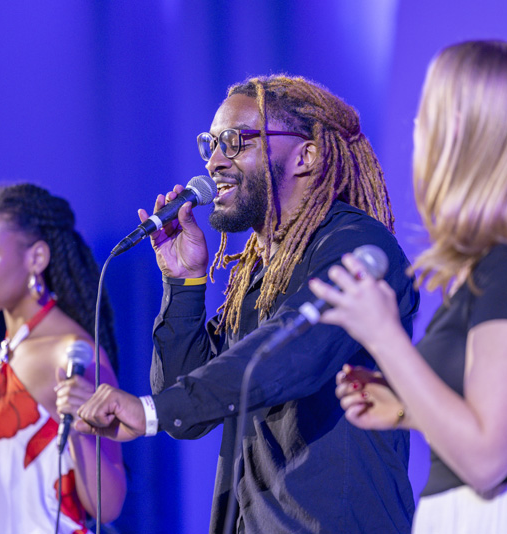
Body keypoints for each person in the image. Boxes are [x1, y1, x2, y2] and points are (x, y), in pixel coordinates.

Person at [76, 75, 419, 533]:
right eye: (212, 144)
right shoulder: (258, 274)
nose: (214, 161)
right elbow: (186, 409)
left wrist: (152, 412)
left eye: (235, 142)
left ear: (306, 156)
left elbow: (289, 354)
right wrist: (184, 282)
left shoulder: (357, 247)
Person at [312, 40, 507, 533]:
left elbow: (487, 460)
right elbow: (492, 419)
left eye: (429, 116)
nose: (419, 130)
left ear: (465, 132)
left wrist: (385, 337)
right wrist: (407, 409)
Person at [0, 184, 126, 533]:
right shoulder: (7, 351)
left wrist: (81, 433)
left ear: (37, 258)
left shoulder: (73, 353)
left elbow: (109, 504)